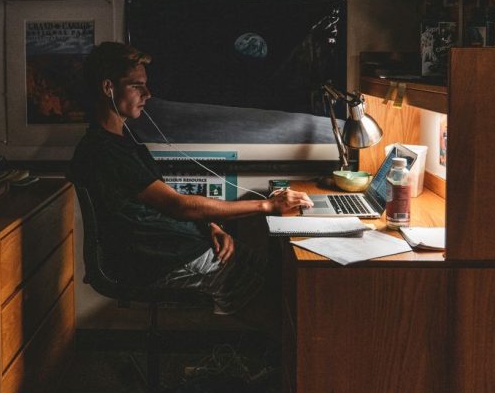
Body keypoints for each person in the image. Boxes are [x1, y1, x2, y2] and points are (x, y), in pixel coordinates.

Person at [69, 42, 313, 325]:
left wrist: (209, 226)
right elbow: (178, 205)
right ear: (108, 88)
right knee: (277, 300)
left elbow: (162, 204)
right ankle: (263, 358)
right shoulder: (103, 152)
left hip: (171, 246)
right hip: (157, 259)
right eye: (137, 86)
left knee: (263, 269)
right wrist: (268, 205)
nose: (148, 94)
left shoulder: (124, 144)